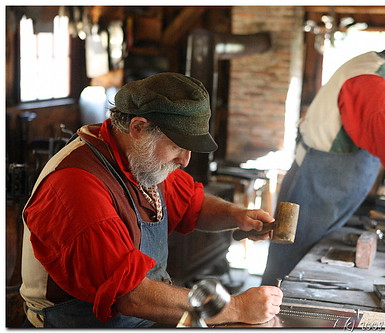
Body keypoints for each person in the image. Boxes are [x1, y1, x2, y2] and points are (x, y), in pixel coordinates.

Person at [20, 72, 283, 328]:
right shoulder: (77, 185)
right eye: (178, 146)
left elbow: (194, 203)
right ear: (138, 127)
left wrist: (238, 216)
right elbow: (131, 296)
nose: (185, 160)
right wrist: (234, 307)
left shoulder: (141, 160)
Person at [261, 21, 385, 285]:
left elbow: (370, 128)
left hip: (329, 188)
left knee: (302, 271)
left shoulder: (380, 71)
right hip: (315, 189)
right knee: (286, 275)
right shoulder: (371, 80)